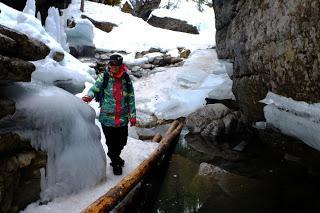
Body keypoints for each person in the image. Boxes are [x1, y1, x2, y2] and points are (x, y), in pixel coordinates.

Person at [82, 54, 136, 175]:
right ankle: (116, 162)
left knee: (122, 142)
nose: (113, 66)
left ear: (121, 65)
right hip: (107, 119)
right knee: (111, 143)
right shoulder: (104, 77)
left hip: (122, 119)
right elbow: (94, 89)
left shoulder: (126, 79)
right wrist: (88, 97)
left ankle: (115, 156)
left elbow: (131, 98)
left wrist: (132, 116)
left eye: (116, 64)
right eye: (111, 64)